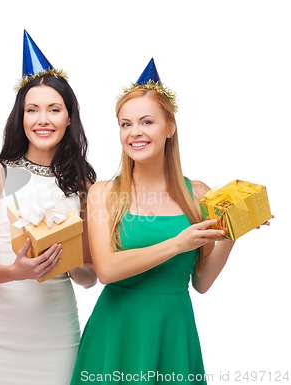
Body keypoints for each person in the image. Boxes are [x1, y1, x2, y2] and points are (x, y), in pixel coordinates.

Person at [70, 58, 272, 385]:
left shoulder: (199, 195)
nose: (135, 132)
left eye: (147, 122)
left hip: (173, 331)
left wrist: (232, 230)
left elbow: (202, 282)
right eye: (125, 124)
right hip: (116, 332)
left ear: (170, 127)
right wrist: (179, 243)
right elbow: (106, 270)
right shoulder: (102, 194)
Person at [0, 30, 97, 385]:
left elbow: (90, 274)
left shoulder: (83, 183)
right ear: (20, 117)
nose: (43, 119)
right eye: (32, 110)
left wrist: (68, 265)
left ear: (69, 118)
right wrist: (20, 270)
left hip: (57, 335)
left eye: (54, 109)